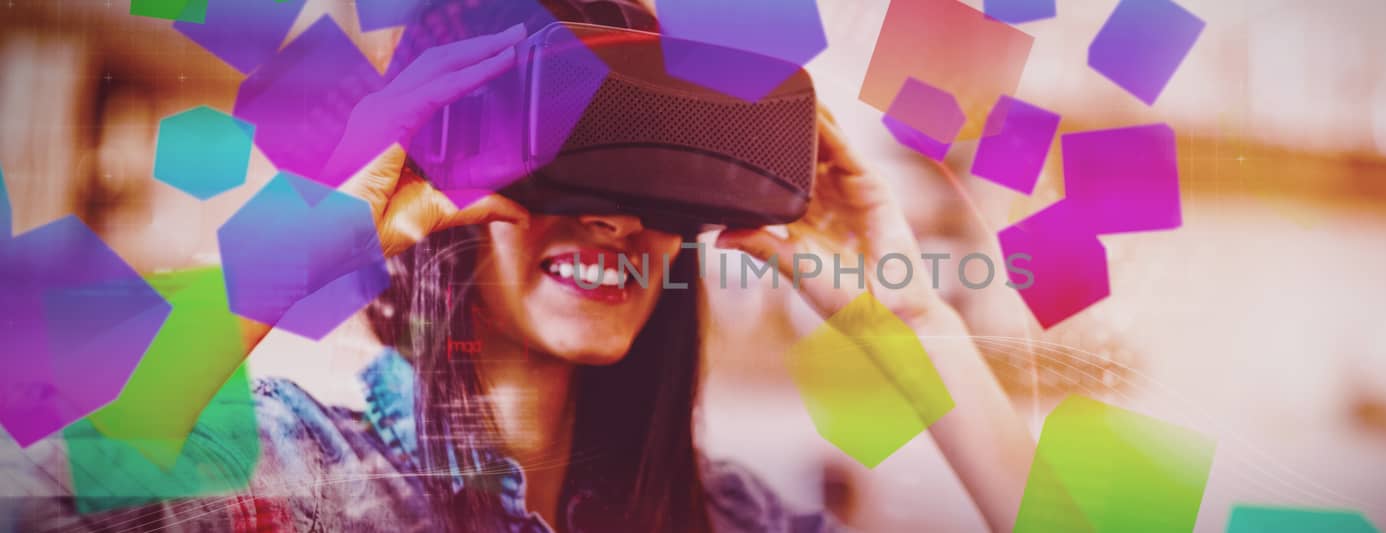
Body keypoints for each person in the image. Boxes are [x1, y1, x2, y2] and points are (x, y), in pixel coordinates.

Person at [7, 1, 1038, 531]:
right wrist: (304, 237)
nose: (609, 217)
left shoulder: (733, 515)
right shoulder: (300, 471)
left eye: (646, 167)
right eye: (554, 158)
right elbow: (36, 500)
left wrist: (912, 327)